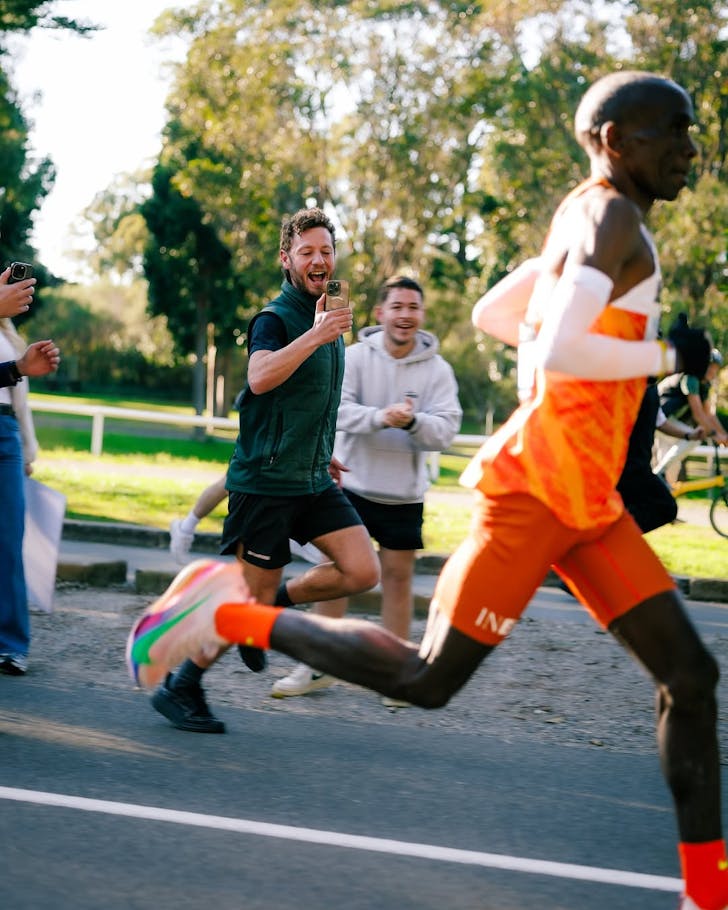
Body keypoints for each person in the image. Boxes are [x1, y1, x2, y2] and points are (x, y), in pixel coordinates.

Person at [129, 73, 728, 910]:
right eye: (676, 132)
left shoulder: (585, 218)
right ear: (617, 141)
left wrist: (616, 355)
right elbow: (556, 348)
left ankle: (707, 893)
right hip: (540, 492)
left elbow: (494, 314)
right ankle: (228, 614)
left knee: (691, 679)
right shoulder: (610, 216)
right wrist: (664, 360)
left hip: (589, 497)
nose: (691, 150)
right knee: (427, 678)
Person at [147, 206, 380, 734]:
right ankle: (182, 685)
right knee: (242, 608)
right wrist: (317, 336)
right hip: (267, 486)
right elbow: (260, 378)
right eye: (307, 253)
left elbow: (312, 399)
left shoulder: (330, 316)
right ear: (287, 259)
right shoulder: (276, 319)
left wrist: (320, 449)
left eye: (326, 251)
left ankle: (271, 604)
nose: (318, 260)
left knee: (363, 570)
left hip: (311, 476)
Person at [272, 275, 462, 701]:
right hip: (351, 485)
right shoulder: (354, 356)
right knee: (338, 577)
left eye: (413, 308)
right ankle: (318, 667)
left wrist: (412, 421)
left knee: (398, 581)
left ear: (422, 315)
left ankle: (399, 674)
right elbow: (336, 409)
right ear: (380, 313)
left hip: (404, 494)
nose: (405, 315)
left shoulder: (438, 370)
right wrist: (381, 417)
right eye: (397, 307)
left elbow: (446, 430)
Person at [0, 317, 44, 674]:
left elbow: (20, 402)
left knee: (10, 544)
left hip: (5, 433)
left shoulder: (9, 337)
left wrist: (28, 450)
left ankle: (12, 646)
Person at [617, 378, 703, 534]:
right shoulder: (626, 384)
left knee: (660, 507)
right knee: (664, 506)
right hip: (623, 466)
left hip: (640, 465)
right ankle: (613, 536)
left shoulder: (652, 390)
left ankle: (613, 538)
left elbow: (660, 422)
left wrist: (690, 435)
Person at [654, 346, 727, 484]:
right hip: (659, 419)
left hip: (670, 421)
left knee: (669, 474)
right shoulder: (690, 378)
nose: (713, 371)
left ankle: (658, 480)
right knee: (695, 438)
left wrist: (724, 436)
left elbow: (709, 415)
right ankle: (657, 474)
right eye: (710, 366)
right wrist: (715, 435)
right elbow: (698, 413)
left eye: (715, 368)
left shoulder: (704, 385)